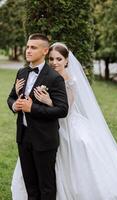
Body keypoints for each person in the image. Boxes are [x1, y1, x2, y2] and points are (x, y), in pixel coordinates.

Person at [11, 42, 117, 200]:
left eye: (59, 59)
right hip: (42, 125)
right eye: (52, 59)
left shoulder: (69, 79)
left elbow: (65, 110)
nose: (55, 62)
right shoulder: (45, 75)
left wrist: (48, 101)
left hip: (66, 124)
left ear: (66, 61)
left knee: (77, 145)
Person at [7, 35, 68, 200]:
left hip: (44, 138)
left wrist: (31, 108)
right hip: (24, 136)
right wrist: (15, 105)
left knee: (46, 187)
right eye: (27, 46)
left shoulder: (54, 78)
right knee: (30, 186)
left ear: (45, 51)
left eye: (33, 47)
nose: (28, 50)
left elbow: (62, 110)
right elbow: (11, 97)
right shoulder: (22, 72)